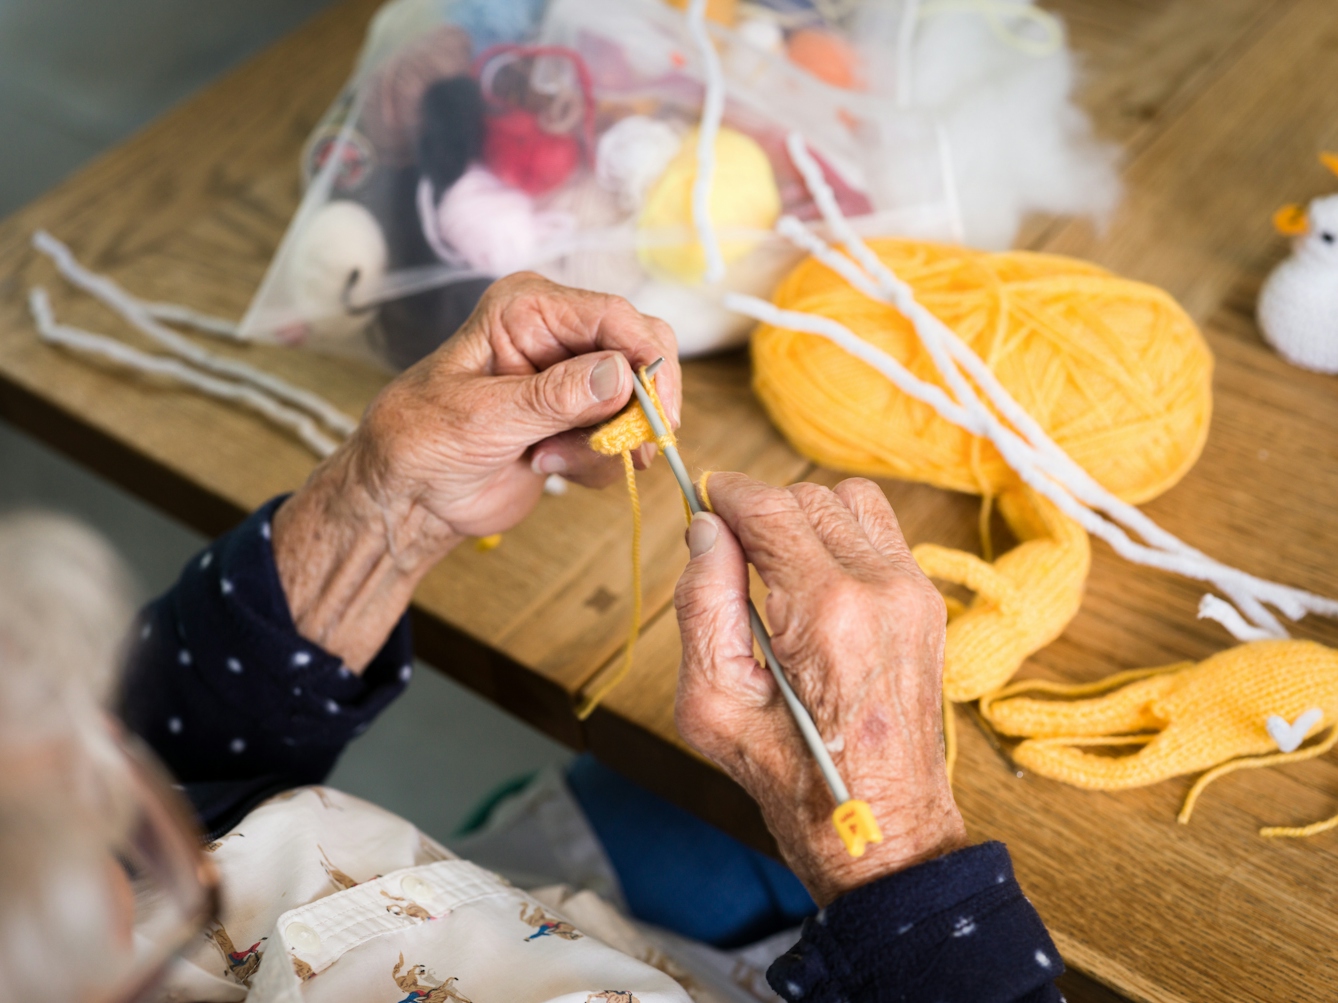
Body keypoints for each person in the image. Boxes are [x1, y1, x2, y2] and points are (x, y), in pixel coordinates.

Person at [0, 275, 1062, 1003]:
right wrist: (904, 850)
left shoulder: (81, 863)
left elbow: (176, 778)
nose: (107, 784)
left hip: (468, 910)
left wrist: (384, 509)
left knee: (684, 808)